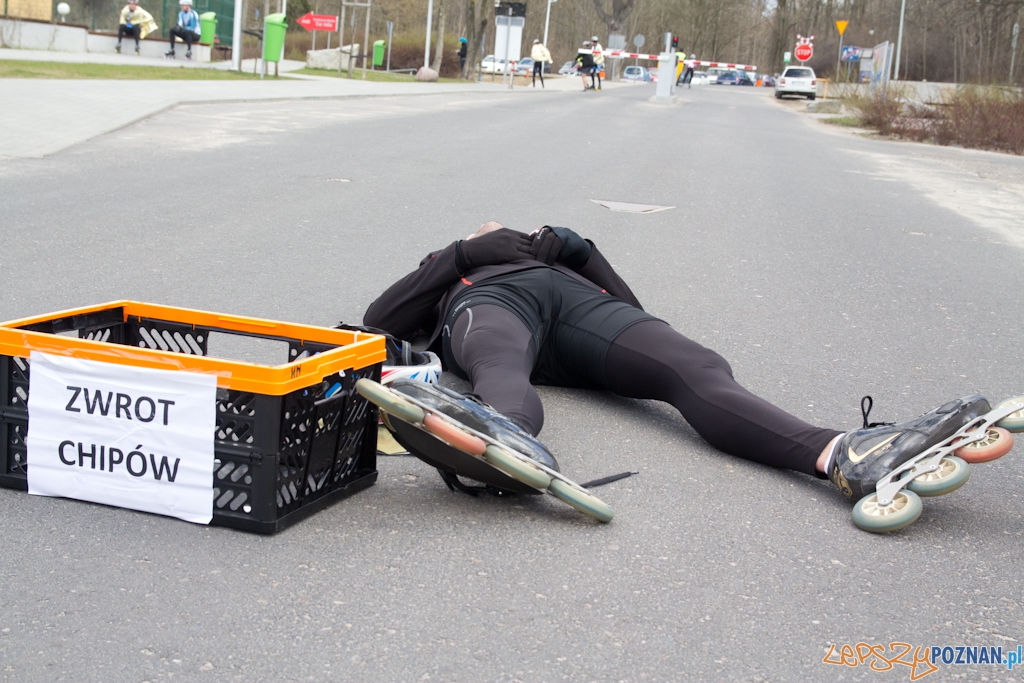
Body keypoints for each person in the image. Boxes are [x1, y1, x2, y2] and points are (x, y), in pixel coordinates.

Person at [363, 223, 1003, 517]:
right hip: (493, 307)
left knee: (694, 364)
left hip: (581, 310)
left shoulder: (556, 260)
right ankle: (499, 434)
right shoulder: (459, 267)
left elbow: (637, 315)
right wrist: (465, 253)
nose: (500, 226)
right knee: (498, 363)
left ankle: (844, 453)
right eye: (487, 226)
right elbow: (380, 315)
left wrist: (584, 253)